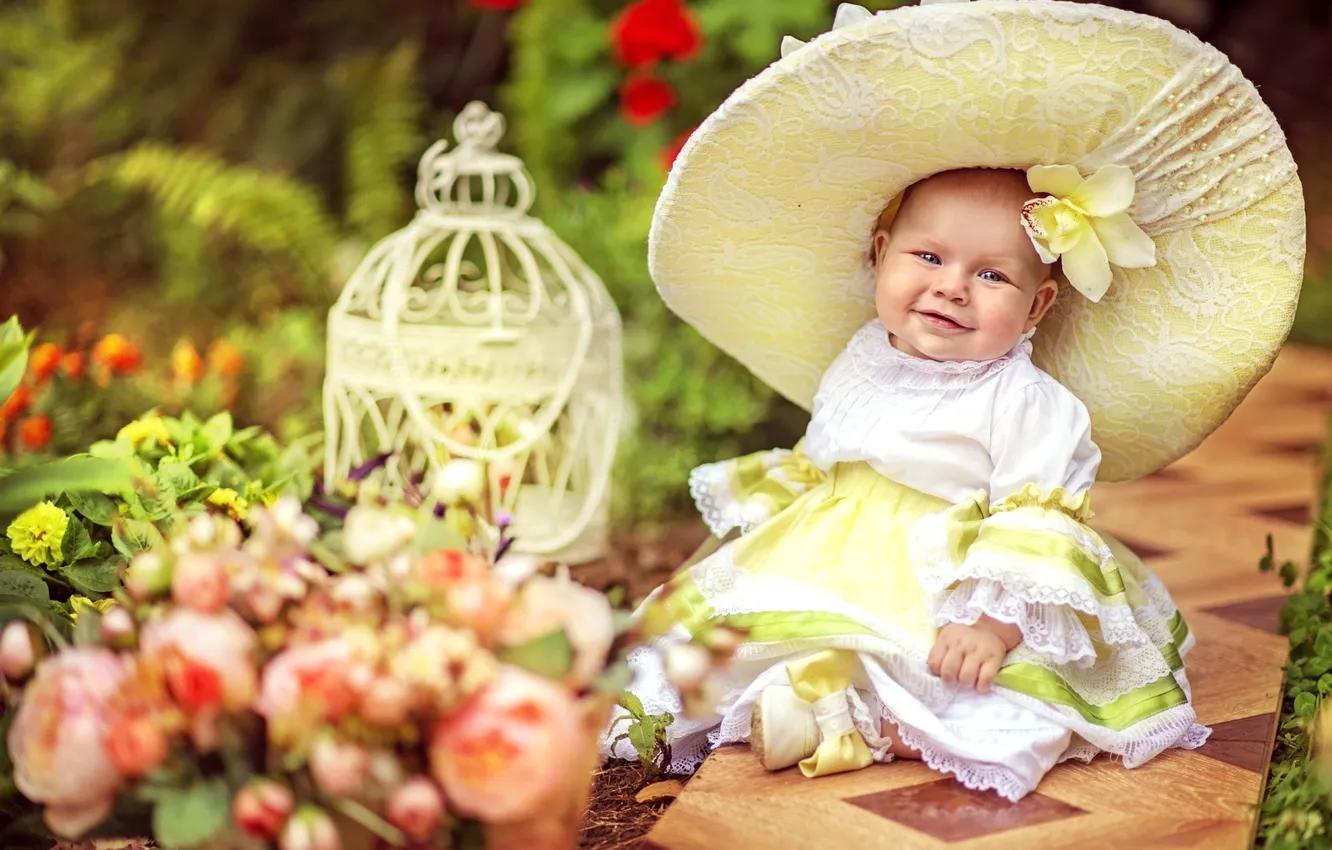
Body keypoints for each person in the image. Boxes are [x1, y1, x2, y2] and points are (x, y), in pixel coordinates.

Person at [609, 0, 1306, 801]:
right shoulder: (864, 352)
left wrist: (994, 622)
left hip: (951, 569)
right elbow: (828, 454)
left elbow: (1033, 520)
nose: (950, 287)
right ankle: (806, 695)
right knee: (730, 634)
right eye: (929, 256)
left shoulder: (1030, 405)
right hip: (832, 545)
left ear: (1039, 306)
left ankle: (859, 721)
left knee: (982, 687)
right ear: (880, 257)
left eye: (992, 274)